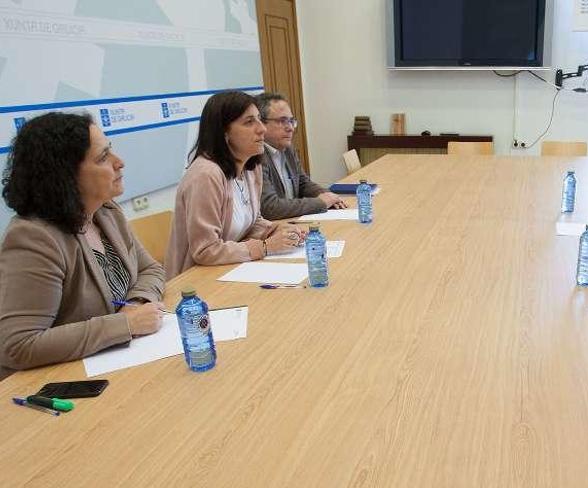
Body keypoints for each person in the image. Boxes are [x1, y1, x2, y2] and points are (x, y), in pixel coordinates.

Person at [0, 112, 165, 376]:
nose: (119, 162)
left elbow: (151, 269)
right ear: (64, 177)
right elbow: (18, 345)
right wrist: (124, 324)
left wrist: (137, 304)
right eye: (102, 157)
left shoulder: (106, 211)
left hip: (122, 362)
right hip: (62, 382)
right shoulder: (33, 239)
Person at [165, 91, 305, 279]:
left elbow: (252, 221)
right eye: (249, 122)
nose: (261, 129)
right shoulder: (205, 175)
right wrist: (265, 247)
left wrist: (275, 230)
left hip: (230, 270)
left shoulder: (250, 166)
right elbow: (205, 250)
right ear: (224, 133)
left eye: (259, 119)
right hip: (196, 282)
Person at [255, 92, 345, 220]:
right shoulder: (257, 156)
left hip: (292, 222)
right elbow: (270, 207)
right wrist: (321, 202)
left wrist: (326, 194)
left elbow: (303, 183)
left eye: (291, 121)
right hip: (276, 228)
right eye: (282, 121)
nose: (290, 128)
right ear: (261, 124)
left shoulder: (287, 149)